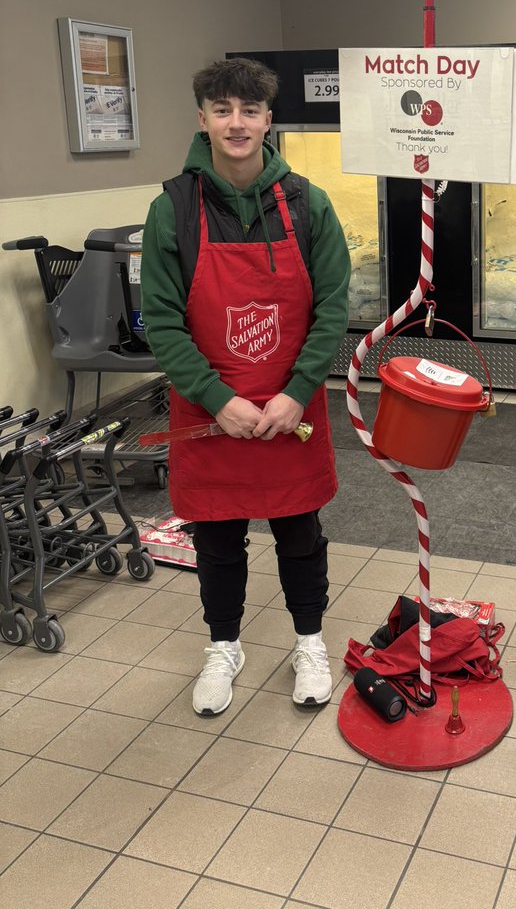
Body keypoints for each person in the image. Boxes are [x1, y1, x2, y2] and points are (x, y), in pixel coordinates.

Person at [141, 57, 350, 716]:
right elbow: (163, 319)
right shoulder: (172, 209)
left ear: (268, 120)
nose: (237, 122)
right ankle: (223, 646)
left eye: (250, 110)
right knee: (217, 540)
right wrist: (216, 397)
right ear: (202, 119)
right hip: (212, 413)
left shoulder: (307, 204)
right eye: (223, 110)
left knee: (299, 535)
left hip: (293, 409)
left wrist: (297, 390)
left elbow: (333, 308)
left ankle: (310, 642)